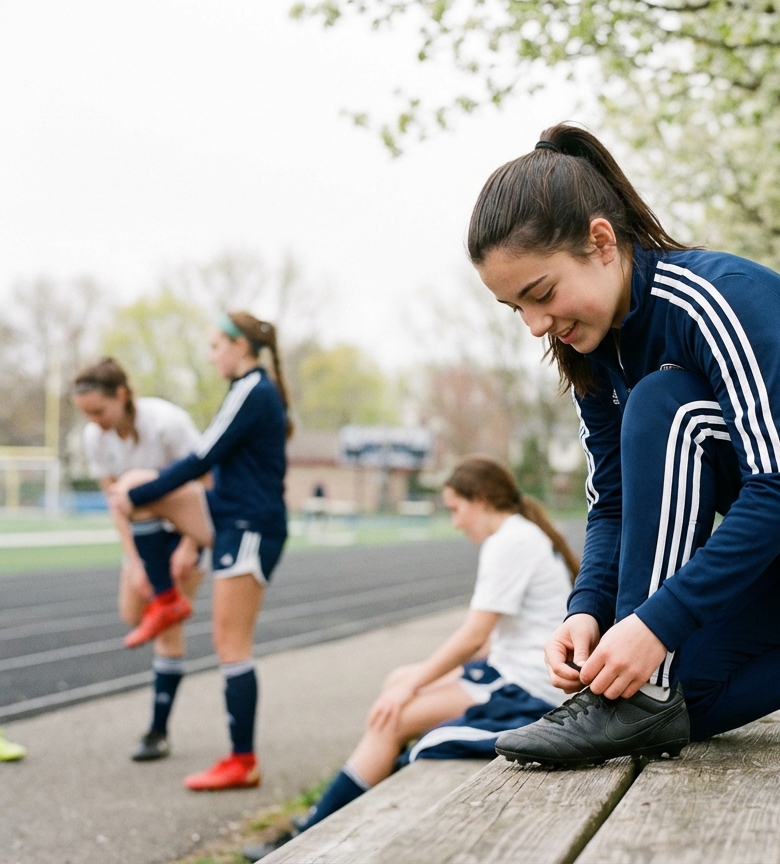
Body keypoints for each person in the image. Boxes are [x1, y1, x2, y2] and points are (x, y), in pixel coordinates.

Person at [463, 125, 780, 769]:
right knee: (687, 697)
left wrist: (650, 627)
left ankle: (638, 693)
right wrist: (588, 611)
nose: (537, 325)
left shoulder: (714, 297)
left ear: (600, 242)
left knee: (667, 403)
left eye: (541, 294)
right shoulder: (590, 345)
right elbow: (614, 504)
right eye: (517, 309)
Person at [242, 455, 577, 862]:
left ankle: (306, 836)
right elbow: (495, 641)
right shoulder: (519, 534)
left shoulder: (509, 541)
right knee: (396, 683)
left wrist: (417, 683)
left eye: (456, 509)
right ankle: (358, 804)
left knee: (392, 717)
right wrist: (414, 679)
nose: (454, 522)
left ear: (481, 500)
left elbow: (474, 637)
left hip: (528, 689)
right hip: (515, 672)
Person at [108, 311, 291, 791]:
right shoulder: (246, 389)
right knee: (136, 489)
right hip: (226, 514)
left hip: (250, 526)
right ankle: (166, 598)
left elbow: (201, 457)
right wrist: (138, 497)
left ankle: (242, 761)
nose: (210, 356)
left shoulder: (254, 389)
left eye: (215, 346)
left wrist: (137, 498)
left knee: (231, 645)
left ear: (240, 347)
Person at [73, 357, 205, 761]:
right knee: (133, 613)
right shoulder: (95, 438)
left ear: (122, 396)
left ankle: (158, 731)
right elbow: (116, 505)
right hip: (142, 535)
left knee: (168, 630)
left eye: (100, 411)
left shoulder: (168, 423)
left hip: (182, 528)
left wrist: (191, 545)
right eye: (86, 414)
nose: (94, 421)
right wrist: (135, 562)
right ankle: (163, 597)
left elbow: (205, 481)